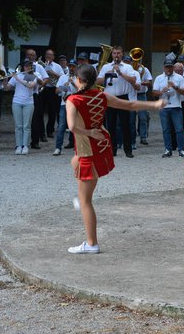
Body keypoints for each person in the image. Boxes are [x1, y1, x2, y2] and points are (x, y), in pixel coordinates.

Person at [65, 64, 165, 254]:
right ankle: (81, 198)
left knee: (86, 201)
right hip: (101, 145)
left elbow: (71, 126)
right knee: (74, 161)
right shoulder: (101, 96)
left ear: (79, 80)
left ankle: (92, 244)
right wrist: (154, 104)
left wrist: (89, 132)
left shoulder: (73, 99)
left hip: (89, 148)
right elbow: (130, 105)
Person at [97, 46, 141, 158]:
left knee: (125, 125)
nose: (116, 55)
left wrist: (120, 73)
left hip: (123, 97)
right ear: (112, 55)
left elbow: (133, 80)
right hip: (109, 98)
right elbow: (98, 81)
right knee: (110, 126)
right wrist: (108, 74)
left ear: (122, 54)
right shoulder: (106, 66)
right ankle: (113, 150)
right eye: (114, 53)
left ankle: (128, 150)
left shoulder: (128, 67)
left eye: (118, 53)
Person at [152, 54, 184, 158]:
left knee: (179, 129)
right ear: (164, 67)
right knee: (166, 129)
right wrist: (161, 91)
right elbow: (154, 93)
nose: (168, 68)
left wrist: (175, 87)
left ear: (173, 67)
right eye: (167, 67)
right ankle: (168, 149)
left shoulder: (179, 77)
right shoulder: (159, 78)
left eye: (170, 67)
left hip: (176, 106)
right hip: (164, 107)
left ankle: (181, 150)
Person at [3, 60, 40, 155]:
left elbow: (30, 85)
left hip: (29, 103)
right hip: (16, 102)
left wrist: (17, 78)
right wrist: (4, 79)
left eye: (29, 66)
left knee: (26, 126)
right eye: (25, 66)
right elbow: (6, 88)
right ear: (23, 67)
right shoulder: (17, 75)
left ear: (31, 67)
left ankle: (25, 146)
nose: (27, 68)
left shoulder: (34, 76)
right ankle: (19, 146)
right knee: (18, 126)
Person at [23, 48, 49, 149]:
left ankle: (35, 141)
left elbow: (45, 78)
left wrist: (41, 85)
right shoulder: (21, 67)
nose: (30, 56)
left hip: (34, 95)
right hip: (22, 95)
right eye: (28, 55)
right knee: (24, 120)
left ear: (35, 56)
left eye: (32, 55)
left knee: (35, 119)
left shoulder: (38, 67)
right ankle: (22, 142)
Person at [53, 59, 77, 156]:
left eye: (73, 66)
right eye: (70, 66)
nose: (71, 68)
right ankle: (58, 148)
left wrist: (73, 83)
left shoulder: (80, 77)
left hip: (75, 104)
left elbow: (82, 90)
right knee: (61, 126)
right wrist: (65, 86)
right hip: (64, 103)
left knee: (76, 127)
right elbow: (56, 91)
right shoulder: (63, 77)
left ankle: (77, 147)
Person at [42, 49, 65, 138]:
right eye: (47, 54)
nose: (48, 56)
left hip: (52, 89)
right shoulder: (41, 65)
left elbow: (63, 77)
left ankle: (50, 131)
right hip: (43, 89)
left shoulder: (57, 66)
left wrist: (52, 73)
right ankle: (41, 133)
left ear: (53, 57)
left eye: (50, 55)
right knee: (40, 111)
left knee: (52, 112)